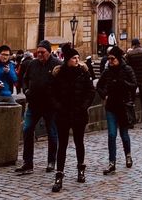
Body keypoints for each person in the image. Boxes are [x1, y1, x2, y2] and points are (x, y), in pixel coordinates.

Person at [50, 43, 95, 192]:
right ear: (67, 59)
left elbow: (90, 92)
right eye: (74, 58)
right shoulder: (58, 73)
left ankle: (81, 169)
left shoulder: (83, 73)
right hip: (63, 114)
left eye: (78, 58)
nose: (77, 60)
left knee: (79, 142)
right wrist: (58, 107)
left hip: (78, 113)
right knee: (62, 145)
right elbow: (52, 93)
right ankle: (59, 174)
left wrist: (83, 106)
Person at [16, 40, 61, 175]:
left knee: (52, 133)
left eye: (43, 52)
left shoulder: (57, 64)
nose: (40, 54)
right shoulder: (32, 64)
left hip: (50, 106)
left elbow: (63, 83)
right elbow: (24, 79)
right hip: (34, 104)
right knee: (27, 130)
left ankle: (51, 161)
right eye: (38, 52)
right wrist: (26, 90)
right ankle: (27, 162)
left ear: (49, 52)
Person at [96, 45, 136, 175]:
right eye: (109, 59)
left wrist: (123, 83)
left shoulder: (127, 69)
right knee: (111, 135)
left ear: (118, 58)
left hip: (123, 106)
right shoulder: (107, 71)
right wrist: (104, 95)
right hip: (111, 106)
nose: (110, 61)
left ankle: (128, 155)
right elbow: (99, 85)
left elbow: (134, 85)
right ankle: (111, 162)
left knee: (124, 134)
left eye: (112, 59)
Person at [125, 38, 142, 128]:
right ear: (139, 44)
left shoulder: (130, 54)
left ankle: (131, 122)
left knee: (130, 101)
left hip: (133, 80)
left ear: (133, 45)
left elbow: (127, 67)